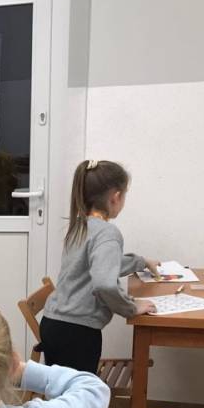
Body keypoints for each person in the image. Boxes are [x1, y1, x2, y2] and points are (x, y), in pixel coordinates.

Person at [39, 159, 158, 374]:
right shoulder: (107, 232)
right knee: (79, 393)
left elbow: (97, 265)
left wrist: (141, 262)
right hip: (78, 333)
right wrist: (131, 307)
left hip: (54, 324)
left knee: (62, 390)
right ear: (116, 197)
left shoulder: (79, 226)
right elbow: (104, 283)